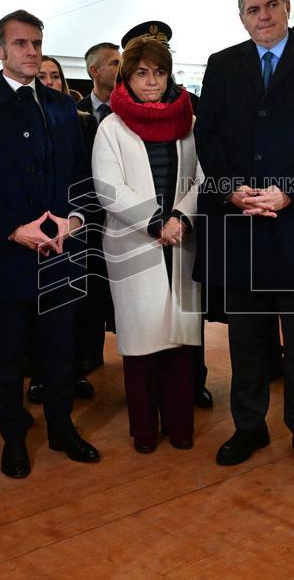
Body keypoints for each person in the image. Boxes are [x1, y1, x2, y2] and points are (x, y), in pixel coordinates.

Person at [194, 0, 294, 473]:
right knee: (247, 339)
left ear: (287, 7)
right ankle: (249, 427)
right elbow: (209, 137)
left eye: (271, 5)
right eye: (252, 9)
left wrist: (289, 193)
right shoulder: (222, 65)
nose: (263, 16)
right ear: (241, 16)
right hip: (241, 225)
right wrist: (233, 189)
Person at [0, 9, 100, 480]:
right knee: (8, 356)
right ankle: (14, 439)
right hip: (4, 253)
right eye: (20, 44)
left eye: (37, 42)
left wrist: (73, 219)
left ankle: (61, 428)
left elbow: (81, 173)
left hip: (59, 251)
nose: (32, 51)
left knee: (60, 350)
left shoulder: (61, 106)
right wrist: (13, 230)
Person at [92, 37, 203, 452]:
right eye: (142, 73)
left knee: (179, 340)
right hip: (134, 243)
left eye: (159, 72)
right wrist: (156, 223)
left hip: (180, 239)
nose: (152, 81)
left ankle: (181, 428)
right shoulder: (111, 126)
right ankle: (143, 430)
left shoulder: (187, 122)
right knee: (141, 344)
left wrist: (180, 219)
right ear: (128, 77)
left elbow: (200, 180)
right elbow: (108, 189)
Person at [37, 53, 105, 401]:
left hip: (77, 229)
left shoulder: (83, 122)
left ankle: (76, 370)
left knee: (75, 306)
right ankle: (38, 374)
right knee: (38, 306)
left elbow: (91, 178)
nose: (48, 82)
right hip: (32, 229)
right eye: (42, 76)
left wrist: (76, 220)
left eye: (54, 76)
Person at [77, 42, 120, 125]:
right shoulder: (75, 111)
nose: (121, 69)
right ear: (95, 71)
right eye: (115, 63)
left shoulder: (130, 110)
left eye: (122, 64)